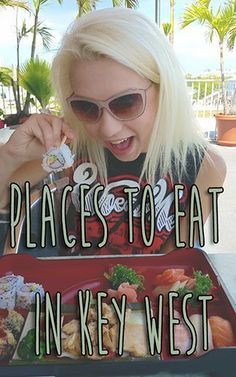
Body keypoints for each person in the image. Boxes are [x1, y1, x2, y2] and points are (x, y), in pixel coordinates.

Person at [0, 8, 226, 256]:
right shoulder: (71, 146)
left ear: (165, 90)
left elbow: (173, 266)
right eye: (85, 106)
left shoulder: (205, 166)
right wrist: (11, 155)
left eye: (126, 102)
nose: (107, 129)